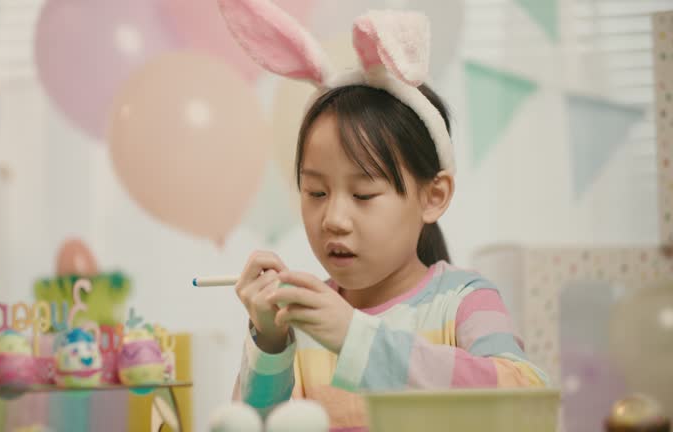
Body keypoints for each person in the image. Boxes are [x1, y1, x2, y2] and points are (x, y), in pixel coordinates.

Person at [218, 0, 550, 429]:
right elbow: (247, 424)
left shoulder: (464, 301)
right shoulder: (300, 325)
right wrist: (269, 341)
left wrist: (355, 339)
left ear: (433, 196)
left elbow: (528, 400)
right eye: (316, 191)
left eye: (363, 194)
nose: (333, 218)